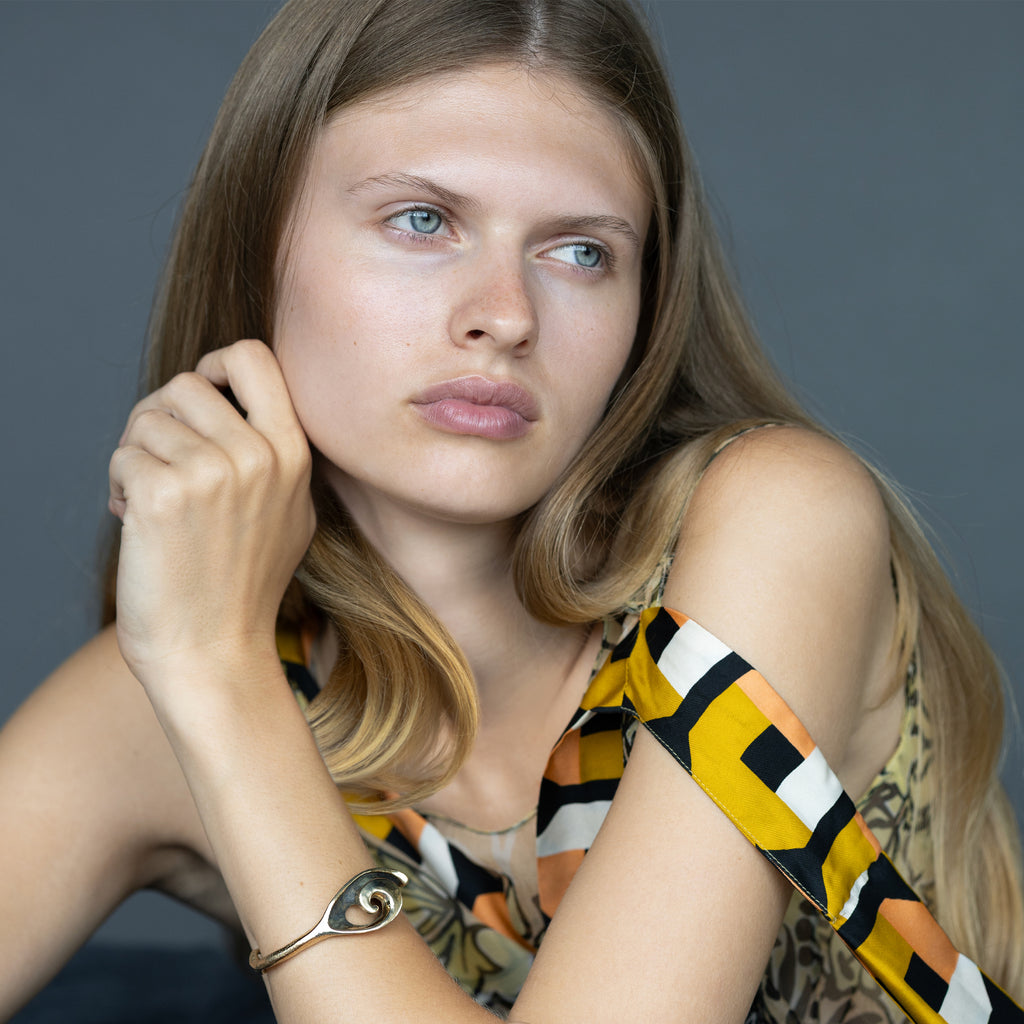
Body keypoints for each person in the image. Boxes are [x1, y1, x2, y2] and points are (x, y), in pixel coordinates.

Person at [1, 0, 1022, 1021]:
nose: (507, 314)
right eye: (422, 220)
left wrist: (222, 685)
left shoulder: (777, 520)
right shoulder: (184, 673)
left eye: (580, 251)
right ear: (255, 247)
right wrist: (215, 669)